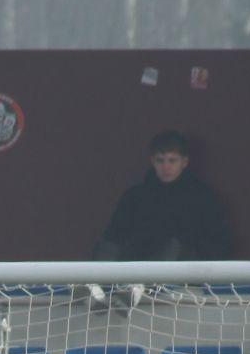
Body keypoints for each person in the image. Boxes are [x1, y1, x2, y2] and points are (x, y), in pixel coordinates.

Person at [86, 130, 231, 313]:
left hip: (179, 266)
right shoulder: (135, 196)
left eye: (172, 161)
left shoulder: (202, 198)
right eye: (160, 160)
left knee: (175, 244)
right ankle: (95, 290)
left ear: (184, 162)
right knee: (109, 245)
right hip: (134, 260)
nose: (166, 167)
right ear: (152, 161)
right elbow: (114, 236)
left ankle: (134, 291)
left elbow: (219, 242)